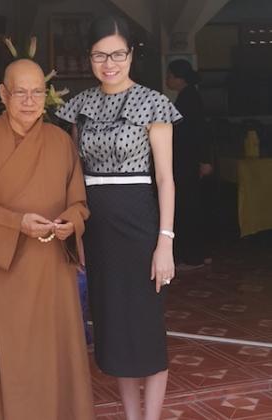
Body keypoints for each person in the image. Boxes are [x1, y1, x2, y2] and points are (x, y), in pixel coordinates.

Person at [55, 15, 182, 420]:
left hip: (142, 226)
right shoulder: (78, 107)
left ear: (131, 55)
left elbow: (165, 178)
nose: (109, 63)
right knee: (112, 330)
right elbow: (75, 175)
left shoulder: (154, 103)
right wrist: (77, 235)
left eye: (117, 54)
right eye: (99, 55)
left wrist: (165, 240)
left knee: (145, 329)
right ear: (89, 58)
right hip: (98, 228)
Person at [0, 58, 95, 420]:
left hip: (53, 268)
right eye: (21, 92)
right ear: (3, 94)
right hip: (8, 266)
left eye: (38, 92)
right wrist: (18, 224)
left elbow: (79, 202)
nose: (30, 101)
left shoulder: (61, 141)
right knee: (12, 353)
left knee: (55, 350)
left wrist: (70, 222)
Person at [166, 59, 213, 269]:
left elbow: (199, 131)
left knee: (189, 208)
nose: (167, 79)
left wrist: (204, 160)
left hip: (189, 161)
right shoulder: (186, 96)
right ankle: (197, 253)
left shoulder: (190, 98)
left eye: (170, 75)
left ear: (178, 78)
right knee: (189, 207)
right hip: (185, 160)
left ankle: (194, 256)